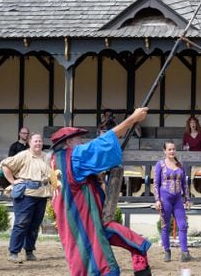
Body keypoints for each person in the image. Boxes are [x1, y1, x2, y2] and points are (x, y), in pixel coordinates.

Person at [51, 107, 152, 276]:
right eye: (79, 140)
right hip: (85, 224)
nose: (82, 143)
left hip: (83, 221)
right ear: (68, 143)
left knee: (133, 242)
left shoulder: (56, 160)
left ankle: (140, 264)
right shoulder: (74, 157)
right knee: (99, 266)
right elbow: (103, 143)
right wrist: (132, 120)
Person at [1, 133, 52, 263]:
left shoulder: (46, 157)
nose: (38, 143)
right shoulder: (23, 155)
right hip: (26, 194)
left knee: (34, 225)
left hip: (42, 194)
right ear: (30, 142)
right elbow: (5, 165)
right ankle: (14, 252)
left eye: (40, 141)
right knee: (21, 223)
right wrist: (13, 181)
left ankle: (29, 251)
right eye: (35, 141)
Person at [154, 140, 192, 262]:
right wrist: (157, 200)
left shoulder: (180, 164)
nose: (172, 151)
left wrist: (187, 198)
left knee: (183, 225)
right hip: (165, 198)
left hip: (177, 199)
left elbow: (184, 183)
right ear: (164, 151)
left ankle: (185, 252)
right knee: (165, 226)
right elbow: (156, 184)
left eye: (174, 149)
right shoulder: (160, 164)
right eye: (169, 149)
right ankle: (167, 251)